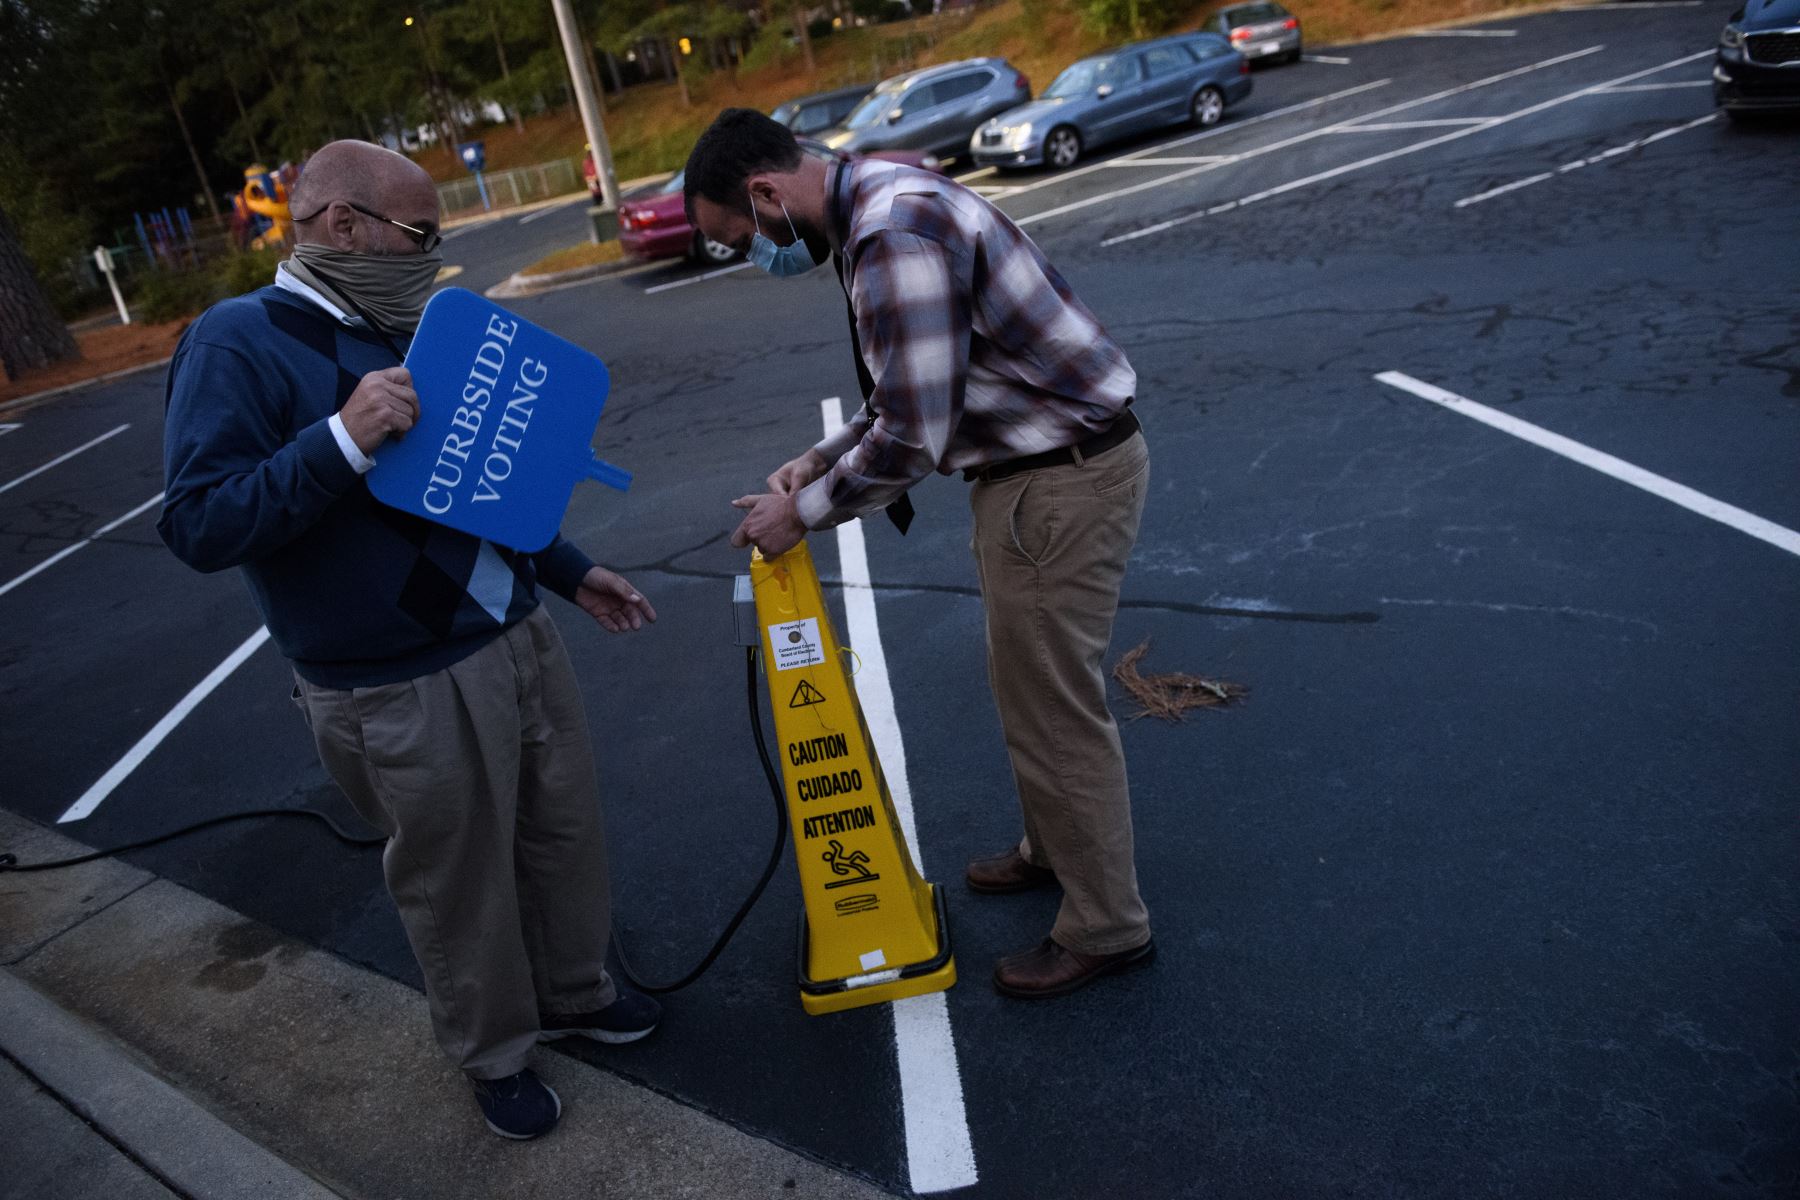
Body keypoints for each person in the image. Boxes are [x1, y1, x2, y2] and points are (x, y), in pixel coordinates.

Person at [158, 140, 659, 1140]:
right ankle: (495, 1051)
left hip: (511, 632)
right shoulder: (236, 341)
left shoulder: (416, 326)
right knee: (457, 880)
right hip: (395, 682)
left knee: (562, 833)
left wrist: (566, 570)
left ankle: (577, 987)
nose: (431, 256)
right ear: (342, 226)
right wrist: (338, 441)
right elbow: (200, 523)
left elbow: (472, 487)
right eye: (419, 235)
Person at [684, 109, 1154, 1000]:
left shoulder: (890, 231)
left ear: (765, 192)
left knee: (1055, 705)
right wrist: (818, 459)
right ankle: (1056, 852)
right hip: (1033, 478)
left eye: (737, 236)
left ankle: (1108, 926)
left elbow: (911, 437)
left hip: (1058, 482)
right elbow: (912, 379)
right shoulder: (876, 205)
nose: (750, 253)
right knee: (1026, 682)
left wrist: (805, 513)